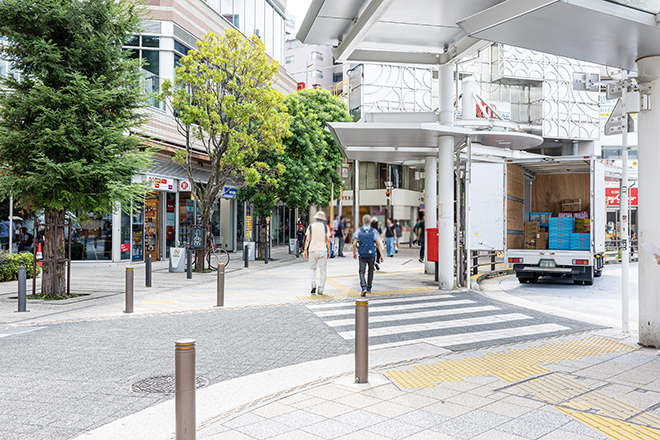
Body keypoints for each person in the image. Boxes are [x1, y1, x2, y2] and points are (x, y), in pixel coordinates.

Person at [353, 214, 384, 297]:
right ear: (370, 222)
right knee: (371, 271)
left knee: (361, 271)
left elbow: (354, 243)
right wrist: (381, 255)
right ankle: (369, 287)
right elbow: (378, 243)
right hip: (371, 254)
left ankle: (363, 287)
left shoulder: (359, 230)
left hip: (362, 254)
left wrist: (354, 253)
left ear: (363, 221)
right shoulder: (374, 231)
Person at [303, 211, 332, 295]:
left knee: (312, 268)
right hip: (322, 250)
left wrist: (305, 250)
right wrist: (329, 250)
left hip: (312, 250)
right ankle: (321, 289)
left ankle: (313, 284)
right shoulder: (325, 227)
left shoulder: (311, 226)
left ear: (316, 218)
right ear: (323, 219)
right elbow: (328, 240)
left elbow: (307, 239)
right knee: (323, 270)